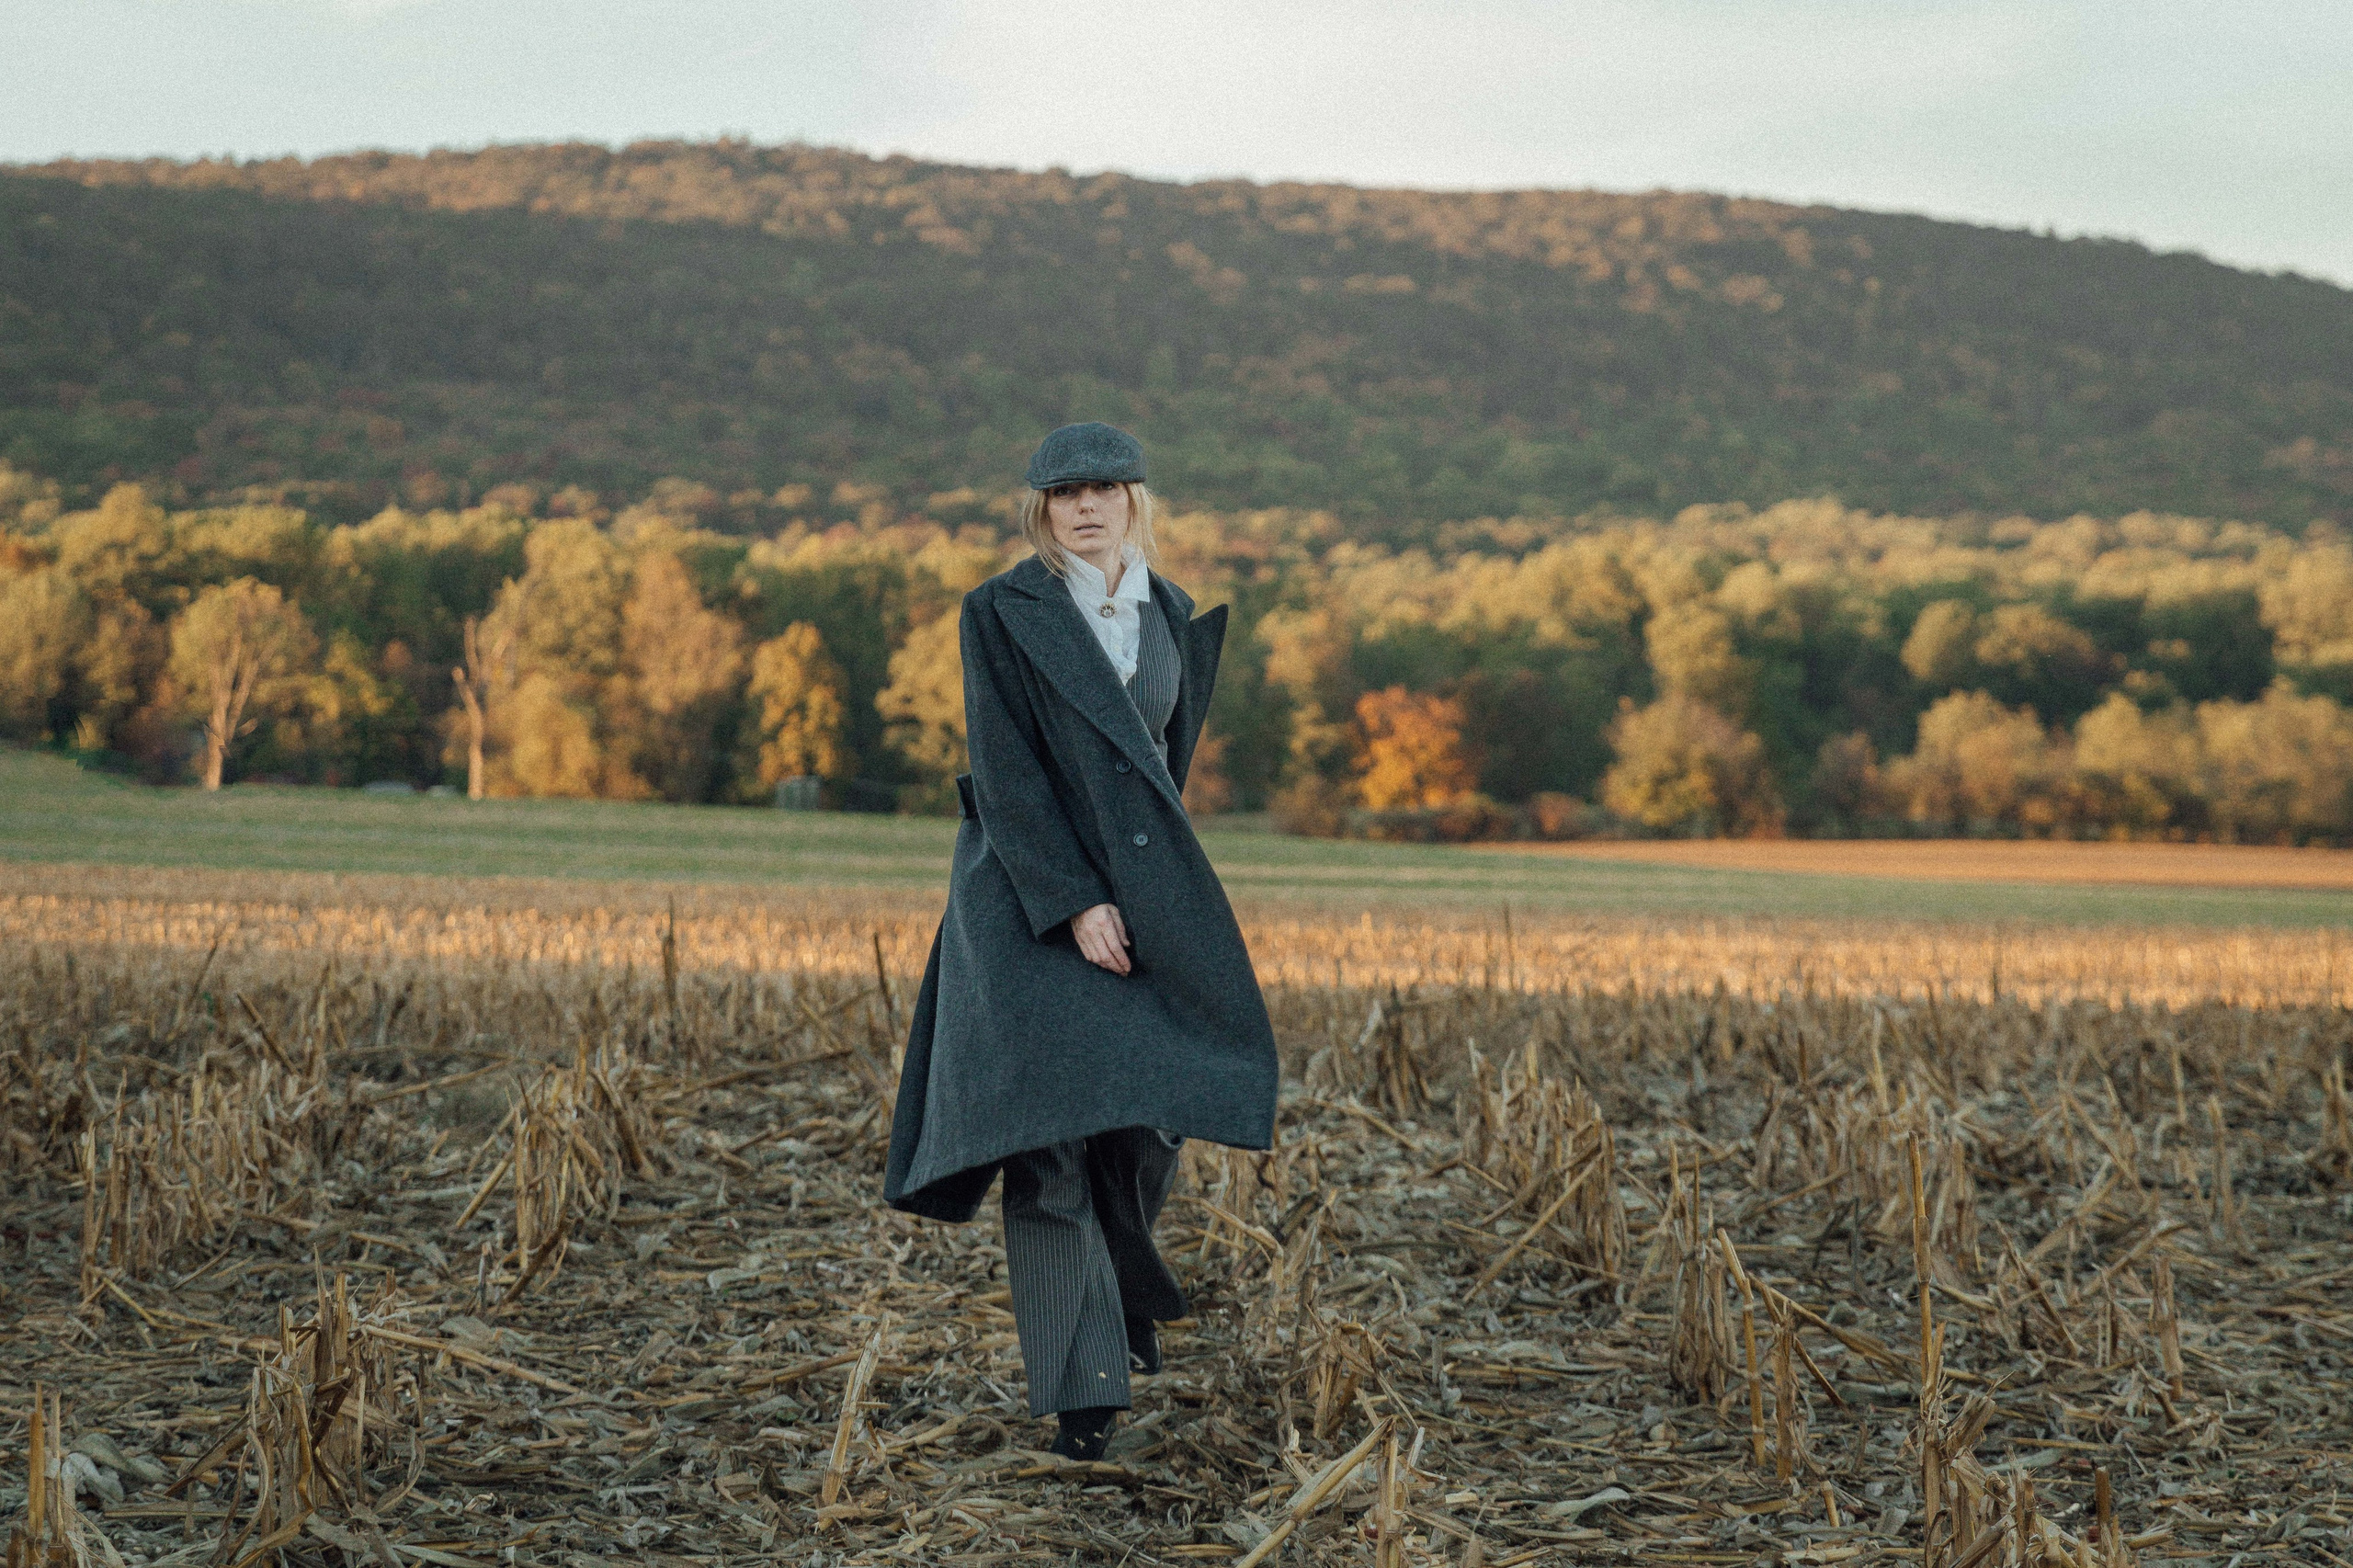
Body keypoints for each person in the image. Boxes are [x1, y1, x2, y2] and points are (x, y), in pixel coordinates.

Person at [883, 421, 1279, 1460]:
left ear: (1134, 500)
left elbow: (1162, 775)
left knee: (1152, 1115)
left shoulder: (1173, 613)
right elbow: (1004, 769)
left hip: (1146, 899)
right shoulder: (1001, 611)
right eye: (1066, 493)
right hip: (1025, 902)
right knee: (1048, 1142)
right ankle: (1084, 1395)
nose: (1086, 506)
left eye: (1104, 488)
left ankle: (1128, 1288)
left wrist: (1144, 894)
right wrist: (1072, 902)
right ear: (1042, 509)